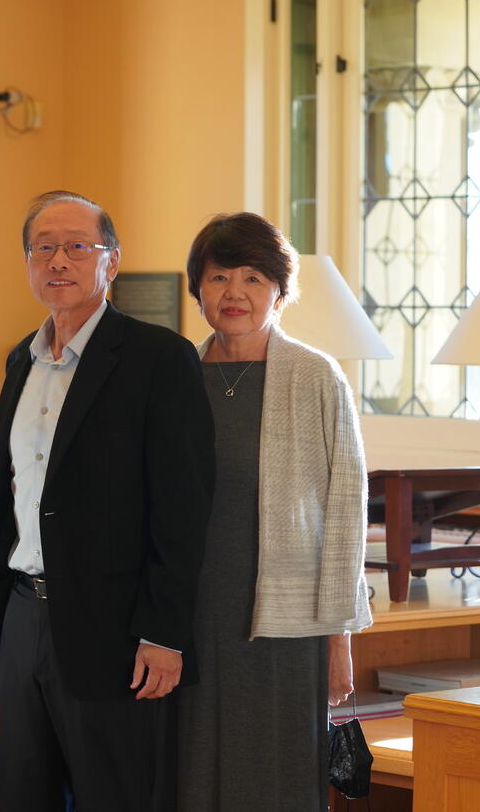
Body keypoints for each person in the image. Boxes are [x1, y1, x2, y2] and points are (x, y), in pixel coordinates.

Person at [0, 190, 216, 810]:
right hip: (23, 615)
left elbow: (183, 508)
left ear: (112, 262)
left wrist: (164, 631)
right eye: (43, 247)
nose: (58, 261)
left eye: (77, 247)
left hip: (118, 630)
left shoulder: (158, 359)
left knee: (116, 796)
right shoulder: (22, 359)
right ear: (27, 262)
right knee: (23, 795)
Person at [176, 212, 371, 810]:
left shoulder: (315, 376)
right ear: (198, 289)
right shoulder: (174, 375)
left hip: (288, 620)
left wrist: (339, 637)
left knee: (278, 775)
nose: (235, 292)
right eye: (218, 277)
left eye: (254, 278)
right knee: (190, 767)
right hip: (187, 612)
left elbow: (346, 508)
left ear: (280, 292)